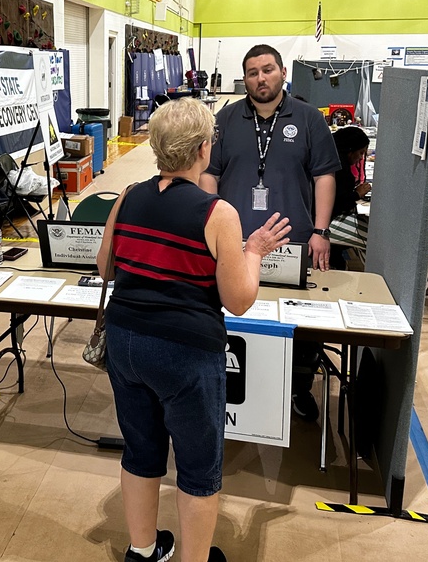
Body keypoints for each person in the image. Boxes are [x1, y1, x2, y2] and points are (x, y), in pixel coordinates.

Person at [97, 97, 291, 562]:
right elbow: (239, 300)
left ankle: (142, 551)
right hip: (184, 352)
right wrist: (255, 251)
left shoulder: (127, 197)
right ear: (204, 150)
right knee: (199, 467)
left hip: (124, 342)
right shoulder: (217, 213)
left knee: (140, 451)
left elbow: (106, 267)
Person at [200, 43, 340, 422]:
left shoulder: (309, 119)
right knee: (236, 310)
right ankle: (237, 389)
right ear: (243, 79)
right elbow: (209, 173)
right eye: (252, 72)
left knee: (297, 321)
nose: (260, 78)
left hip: (293, 241)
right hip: (235, 241)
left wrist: (321, 230)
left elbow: (324, 175)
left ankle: (298, 386)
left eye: (267, 70)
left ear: (281, 72)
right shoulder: (225, 120)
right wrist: (212, 222)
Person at [328, 126, 371, 270]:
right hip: (327, 222)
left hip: (317, 219)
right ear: (350, 150)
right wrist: (356, 194)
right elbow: (339, 203)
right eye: (360, 153)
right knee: (371, 238)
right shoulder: (341, 170)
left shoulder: (327, 158)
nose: (360, 158)